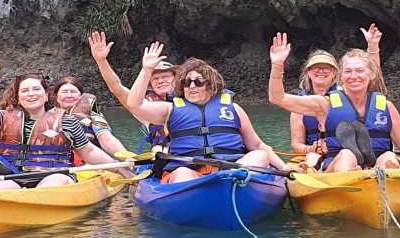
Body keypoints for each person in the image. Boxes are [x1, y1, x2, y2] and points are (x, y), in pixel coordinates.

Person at [126, 41, 296, 184]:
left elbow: (258, 145)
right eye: (187, 82)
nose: (192, 86)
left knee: (259, 155)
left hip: (231, 168)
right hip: (189, 171)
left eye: (198, 82)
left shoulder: (233, 109)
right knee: (182, 174)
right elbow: (134, 105)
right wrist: (146, 70)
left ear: (211, 85)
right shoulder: (169, 109)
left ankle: (230, 181)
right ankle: (208, 190)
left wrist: (283, 168)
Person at [268, 34, 400, 171]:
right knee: (347, 155)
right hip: (337, 166)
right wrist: (277, 65)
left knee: (389, 157)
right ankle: (356, 173)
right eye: (348, 71)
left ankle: (374, 173)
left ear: (372, 74)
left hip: (377, 165)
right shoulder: (324, 104)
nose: (354, 76)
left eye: (359, 71)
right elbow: (278, 98)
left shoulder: (386, 106)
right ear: (340, 76)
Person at [0, 61, 119, 189]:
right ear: (18, 99)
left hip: (55, 175)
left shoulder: (67, 121)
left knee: (54, 182)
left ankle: (35, 204)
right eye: (25, 91)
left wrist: (120, 167)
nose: (31, 93)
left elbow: (89, 151)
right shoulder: (2, 118)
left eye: (36, 89)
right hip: (13, 177)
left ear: (46, 95)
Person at [88, 30, 175, 152]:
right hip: (163, 158)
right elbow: (116, 88)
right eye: (155, 79)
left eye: (165, 77)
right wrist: (101, 61)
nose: (160, 81)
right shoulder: (144, 106)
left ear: (176, 79)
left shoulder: (193, 101)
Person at [49, 75, 129, 160]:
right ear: (56, 97)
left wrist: (126, 157)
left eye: (73, 92)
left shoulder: (94, 115)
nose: (69, 95)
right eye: (64, 92)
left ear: (81, 96)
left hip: (93, 164)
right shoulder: (48, 118)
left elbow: (106, 139)